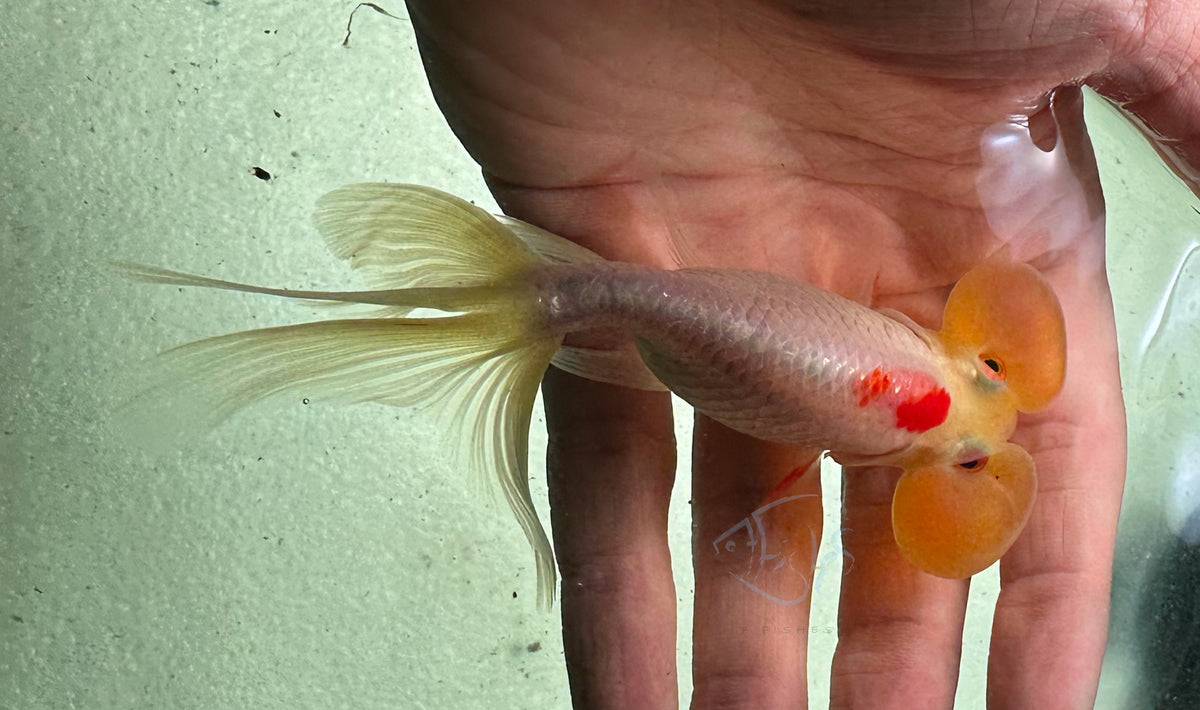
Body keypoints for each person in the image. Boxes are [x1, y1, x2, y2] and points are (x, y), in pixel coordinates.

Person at [403, 2, 1200, 707]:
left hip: (690, 301)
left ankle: (559, 296)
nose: (996, 394)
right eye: (988, 373)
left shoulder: (927, 364)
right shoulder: (901, 436)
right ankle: (557, 298)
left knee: (638, 315)